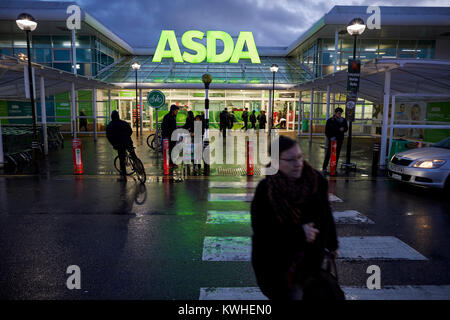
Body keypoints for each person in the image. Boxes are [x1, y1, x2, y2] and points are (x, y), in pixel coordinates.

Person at [251, 136, 338, 300]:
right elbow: (262, 233)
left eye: (299, 157)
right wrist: (299, 233)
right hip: (278, 268)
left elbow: (326, 215)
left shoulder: (316, 180)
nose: (297, 163)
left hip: (311, 264)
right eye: (290, 160)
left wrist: (332, 245)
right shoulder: (266, 190)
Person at [106, 110, 135, 182]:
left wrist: (114, 144)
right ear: (118, 116)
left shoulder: (110, 125)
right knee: (133, 155)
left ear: (111, 117)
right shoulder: (124, 123)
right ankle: (138, 166)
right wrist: (126, 137)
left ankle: (123, 176)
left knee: (122, 160)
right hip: (128, 142)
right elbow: (130, 131)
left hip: (119, 145)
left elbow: (109, 137)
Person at [322, 107, 348, 175]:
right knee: (328, 154)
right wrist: (330, 137)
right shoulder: (330, 120)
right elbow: (326, 131)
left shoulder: (343, 120)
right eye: (338, 113)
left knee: (337, 155)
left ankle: (333, 169)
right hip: (332, 140)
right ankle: (324, 168)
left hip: (339, 140)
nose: (340, 115)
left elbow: (346, 128)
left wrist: (344, 129)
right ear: (335, 113)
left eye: (341, 113)